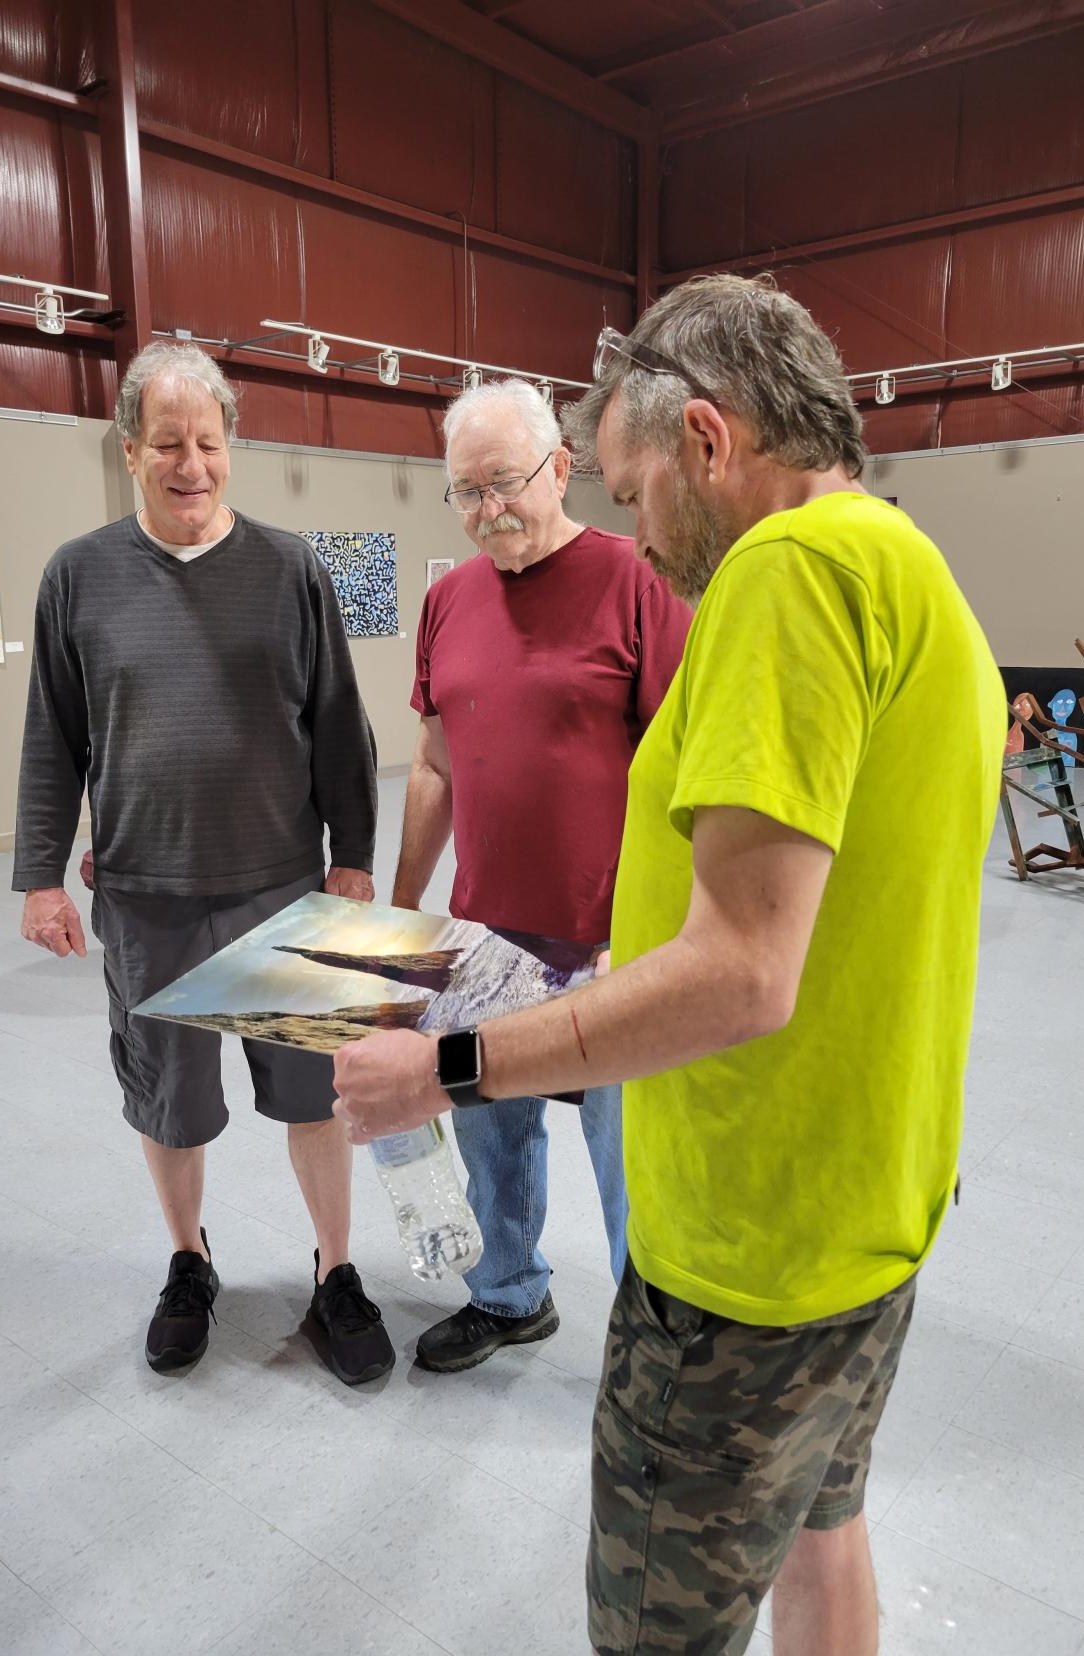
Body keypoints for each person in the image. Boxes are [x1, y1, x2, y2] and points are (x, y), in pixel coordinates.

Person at [331, 275, 1005, 1654]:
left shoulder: (783, 569)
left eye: (637, 490)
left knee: (653, 1631)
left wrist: (445, 1067)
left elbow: (739, 972)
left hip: (745, 1261)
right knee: (825, 1535)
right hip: (868, 1208)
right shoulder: (908, 565)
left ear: (708, 442)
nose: (641, 530)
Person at [13, 341, 394, 1388]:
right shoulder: (79, 577)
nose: (192, 465)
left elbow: (338, 730)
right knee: (169, 1106)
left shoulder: (290, 570)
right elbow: (54, 738)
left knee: (316, 1098)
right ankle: (189, 1260)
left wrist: (353, 862)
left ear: (232, 449)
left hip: (284, 891)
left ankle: (335, 1269)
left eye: (209, 444)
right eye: (169, 444)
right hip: (147, 899)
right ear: (131, 450)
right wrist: (43, 875)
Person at [393, 378, 692, 1372]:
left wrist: (657, 923)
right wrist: (401, 914)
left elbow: (679, 768)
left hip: (614, 942)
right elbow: (435, 765)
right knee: (493, 1137)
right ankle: (509, 1294)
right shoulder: (448, 600)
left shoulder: (633, 580)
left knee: (630, 1162)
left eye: (505, 485)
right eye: (466, 494)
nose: (489, 512)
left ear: (561, 468)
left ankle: (656, 1345)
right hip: (485, 937)